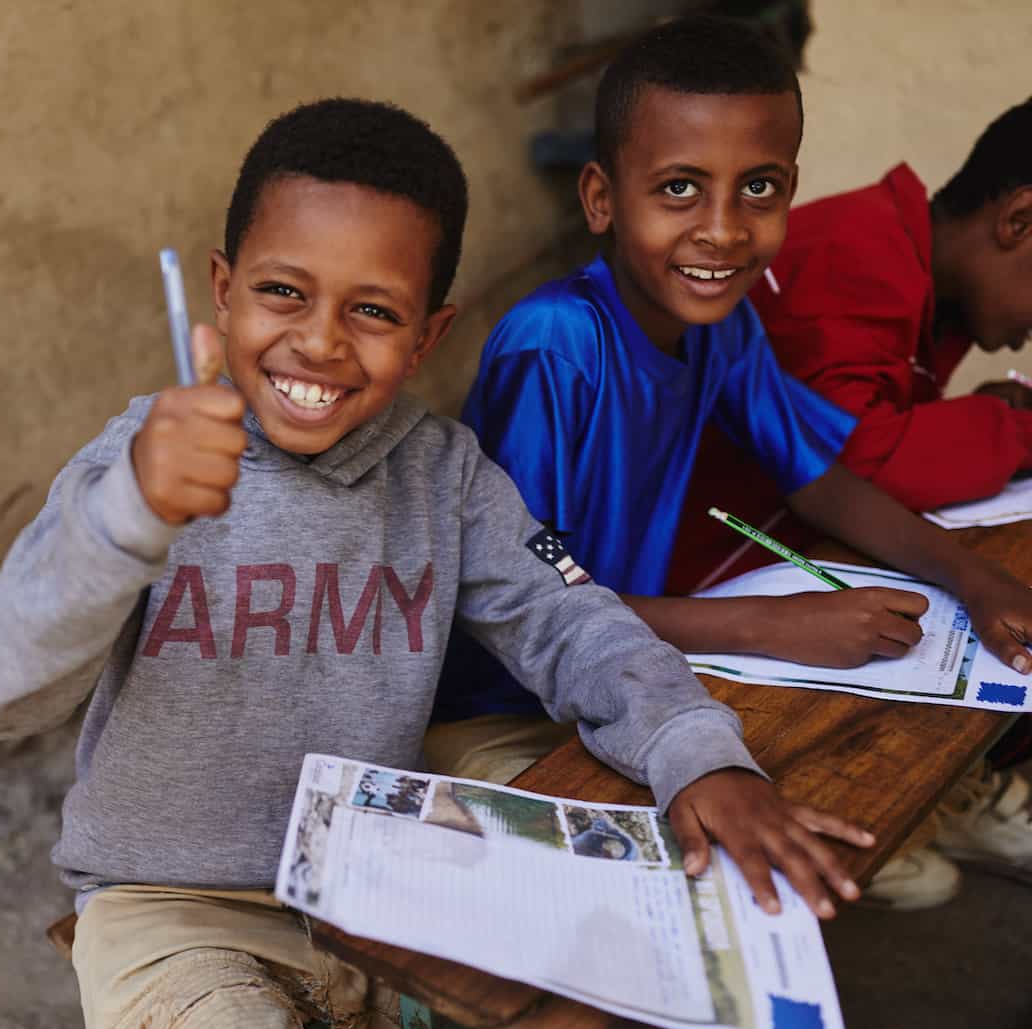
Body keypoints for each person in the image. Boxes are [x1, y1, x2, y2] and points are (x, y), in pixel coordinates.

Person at [0, 97, 870, 1029]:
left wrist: (698, 750)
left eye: (372, 309)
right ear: (221, 291)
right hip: (173, 909)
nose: (321, 341)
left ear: (428, 335)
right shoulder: (135, 469)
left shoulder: (446, 476)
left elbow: (568, 616)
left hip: (384, 891)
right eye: (282, 292)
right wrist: (129, 515)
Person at [433, 16, 1032, 912]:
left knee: (841, 750)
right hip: (504, 706)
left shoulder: (725, 329)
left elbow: (817, 479)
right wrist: (767, 626)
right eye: (679, 188)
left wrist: (971, 577)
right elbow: (528, 612)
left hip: (640, 664)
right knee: (692, 871)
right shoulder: (556, 347)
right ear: (601, 198)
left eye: (759, 188)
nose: (723, 230)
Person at [674, 97, 1032, 590]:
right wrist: (1018, 431)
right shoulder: (854, 255)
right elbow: (858, 472)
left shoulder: (928, 290)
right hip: (686, 591)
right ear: (1020, 220)